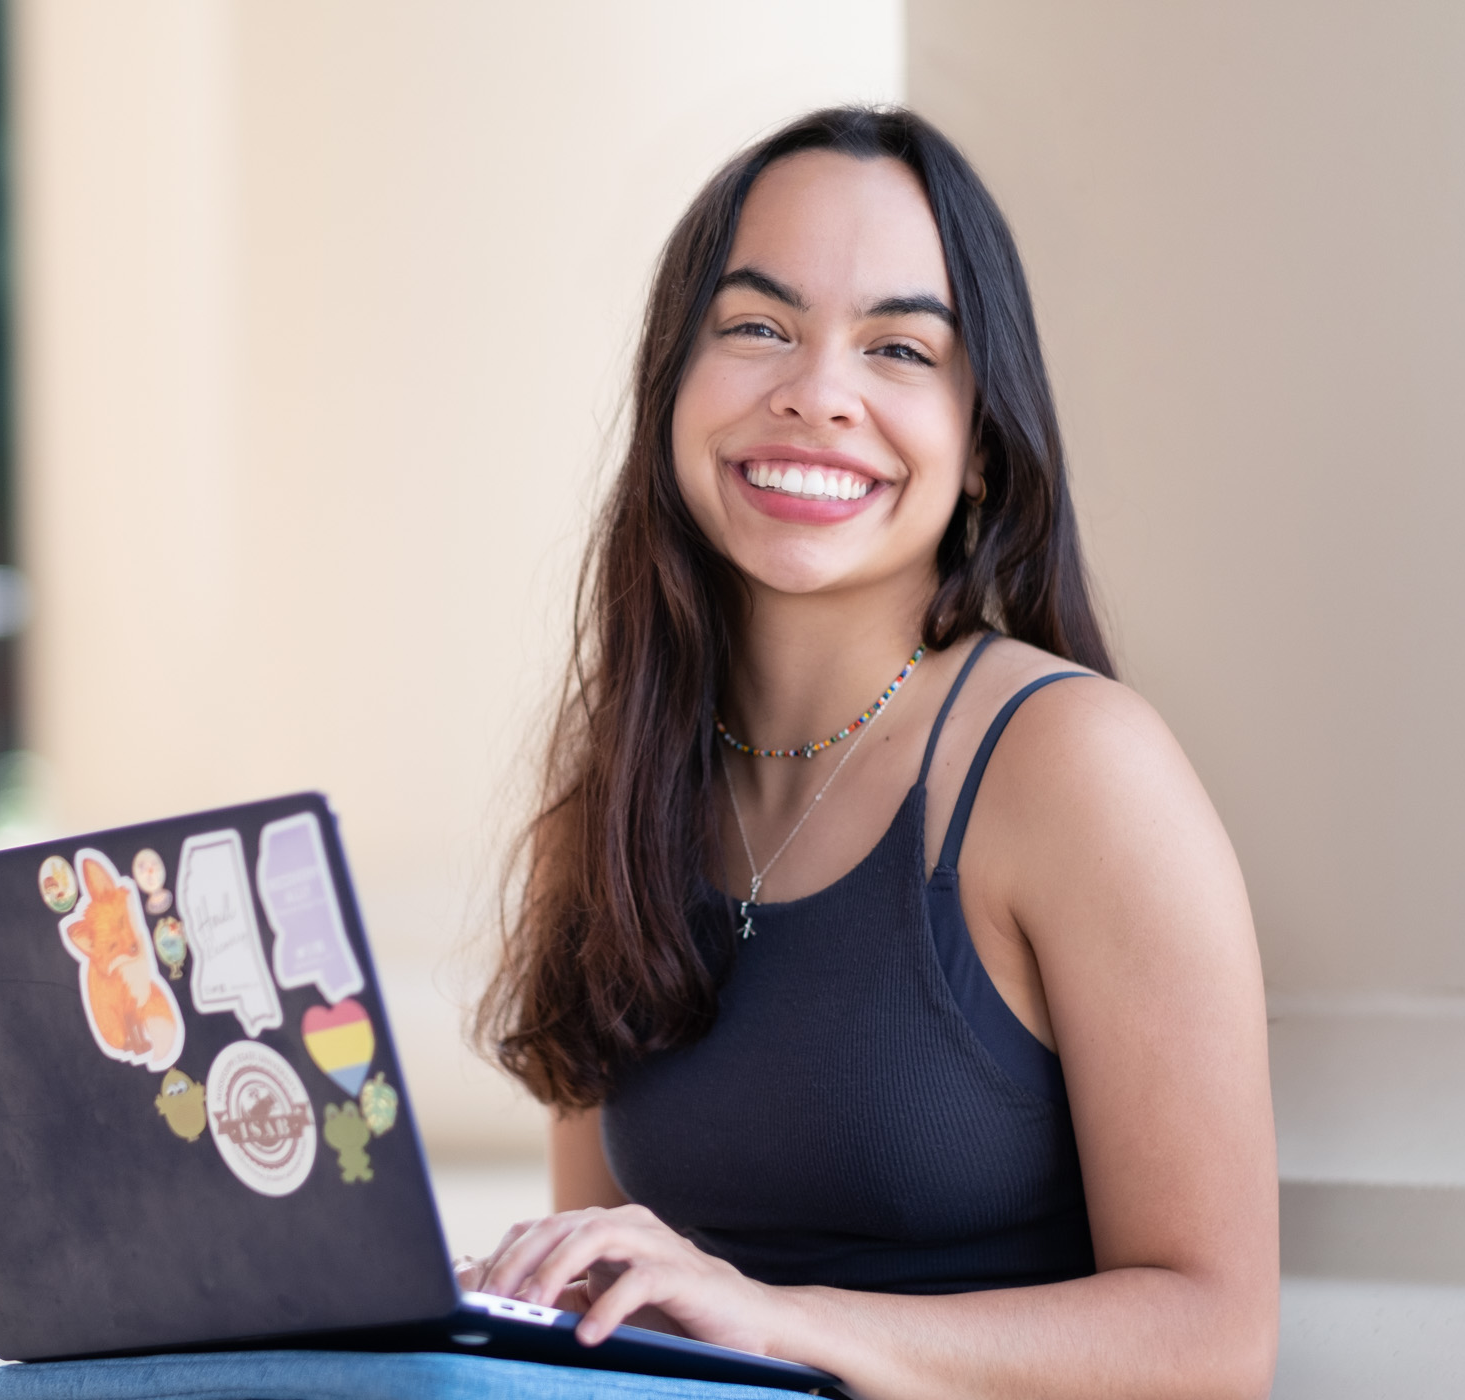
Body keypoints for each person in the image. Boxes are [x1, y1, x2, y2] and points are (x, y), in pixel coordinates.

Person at [465, 106, 1278, 1399]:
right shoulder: (619, 789)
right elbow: (610, 1333)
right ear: (672, 385)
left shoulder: (1072, 767)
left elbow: (1217, 1345)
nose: (816, 391)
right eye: (756, 327)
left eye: (899, 347)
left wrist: (779, 1323)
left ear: (980, 448)